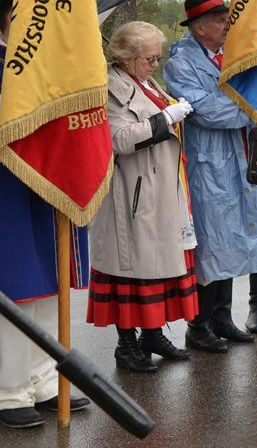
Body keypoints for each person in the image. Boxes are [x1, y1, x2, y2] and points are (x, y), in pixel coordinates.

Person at [0, 0, 91, 428]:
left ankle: (43, 376)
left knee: (50, 286)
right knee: (14, 290)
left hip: (51, 189)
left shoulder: (52, 67)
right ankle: (8, 392)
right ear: (13, 15)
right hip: (7, 191)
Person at [87, 22, 198, 373]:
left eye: (158, 57)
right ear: (128, 57)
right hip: (130, 192)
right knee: (132, 269)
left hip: (157, 187)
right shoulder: (109, 87)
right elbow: (118, 138)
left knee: (157, 265)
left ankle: (152, 333)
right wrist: (165, 118)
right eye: (150, 58)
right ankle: (126, 344)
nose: (156, 63)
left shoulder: (145, 80)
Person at [163, 0, 257, 353]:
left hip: (236, 156)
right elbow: (206, 110)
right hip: (207, 161)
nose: (226, 26)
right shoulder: (181, 64)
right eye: (220, 21)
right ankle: (199, 323)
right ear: (199, 26)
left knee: (232, 239)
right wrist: (252, 107)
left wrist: (248, 102)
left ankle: (222, 316)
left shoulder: (228, 55)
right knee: (210, 242)